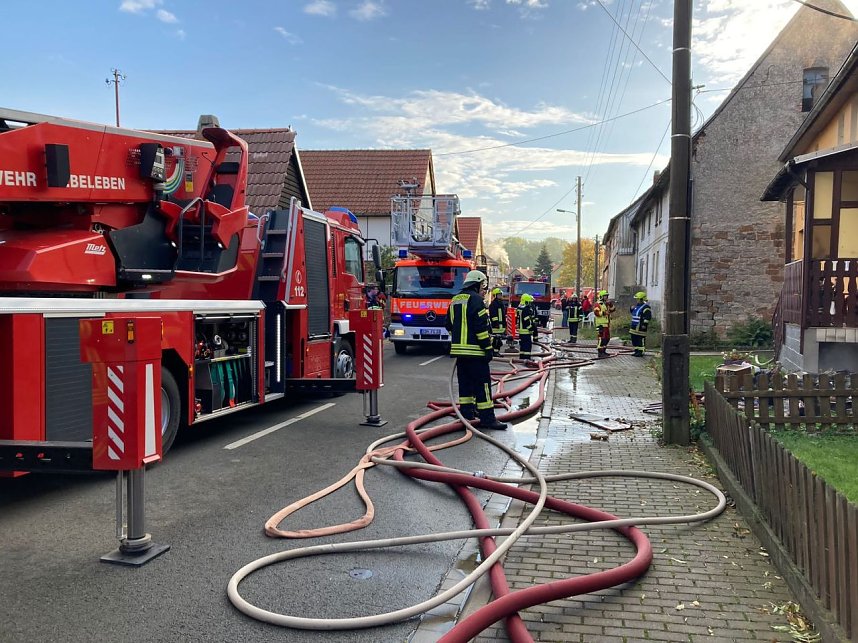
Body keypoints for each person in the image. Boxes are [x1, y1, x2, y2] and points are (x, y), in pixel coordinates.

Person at [445, 270, 508, 430]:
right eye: (483, 286)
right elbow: (481, 329)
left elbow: (448, 325)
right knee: (483, 386)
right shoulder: (476, 301)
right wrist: (488, 348)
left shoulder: (455, 300)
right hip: (476, 353)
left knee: (465, 386)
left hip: (460, 353)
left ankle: (467, 414)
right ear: (478, 283)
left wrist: (460, 340)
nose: (483, 289)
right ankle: (487, 418)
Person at [516, 293, 538, 367]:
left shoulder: (520, 308)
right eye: (529, 302)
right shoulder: (526, 309)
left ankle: (522, 358)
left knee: (522, 346)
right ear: (526, 301)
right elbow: (527, 321)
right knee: (527, 346)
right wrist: (531, 329)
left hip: (521, 330)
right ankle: (527, 359)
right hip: (526, 331)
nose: (530, 303)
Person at [629, 291, 652, 357]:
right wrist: (631, 309)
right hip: (634, 327)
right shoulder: (637, 306)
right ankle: (636, 351)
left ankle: (641, 351)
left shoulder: (646, 307)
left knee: (640, 340)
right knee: (634, 339)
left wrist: (644, 325)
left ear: (642, 299)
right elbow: (634, 314)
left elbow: (648, 317)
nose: (637, 300)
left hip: (641, 327)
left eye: (638, 299)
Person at [593, 289, 616, 357]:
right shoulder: (598, 304)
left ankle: (604, 351)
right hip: (600, 324)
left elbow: (613, 309)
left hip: (606, 324)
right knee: (601, 338)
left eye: (607, 296)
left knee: (607, 338)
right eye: (605, 296)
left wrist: (611, 304)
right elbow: (596, 313)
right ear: (601, 296)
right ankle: (600, 352)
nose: (606, 297)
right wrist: (603, 313)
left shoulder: (607, 304)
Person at [488, 287, 506, 357]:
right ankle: (494, 352)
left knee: (498, 340)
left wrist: (504, 325)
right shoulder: (493, 304)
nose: (500, 296)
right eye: (499, 295)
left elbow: (503, 315)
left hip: (501, 325)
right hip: (496, 326)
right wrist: (496, 323)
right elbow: (494, 316)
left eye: (501, 295)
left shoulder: (500, 304)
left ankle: (496, 352)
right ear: (495, 295)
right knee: (496, 340)